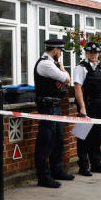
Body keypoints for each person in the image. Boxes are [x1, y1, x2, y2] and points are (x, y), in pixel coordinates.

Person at [33, 37, 73, 188]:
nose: (61, 53)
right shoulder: (45, 64)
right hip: (47, 106)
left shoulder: (52, 63)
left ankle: (57, 170)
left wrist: (63, 73)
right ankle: (43, 177)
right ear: (55, 50)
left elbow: (66, 80)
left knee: (58, 140)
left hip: (55, 106)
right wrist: (63, 72)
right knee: (46, 142)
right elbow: (67, 78)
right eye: (61, 51)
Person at [72, 41, 101, 176]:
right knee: (83, 137)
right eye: (90, 53)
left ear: (98, 53)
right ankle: (83, 166)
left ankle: (96, 164)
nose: (93, 55)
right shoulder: (81, 68)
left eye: (95, 53)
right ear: (86, 53)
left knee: (96, 136)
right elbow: (77, 88)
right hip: (86, 106)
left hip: (99, 106)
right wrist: (82, 107)